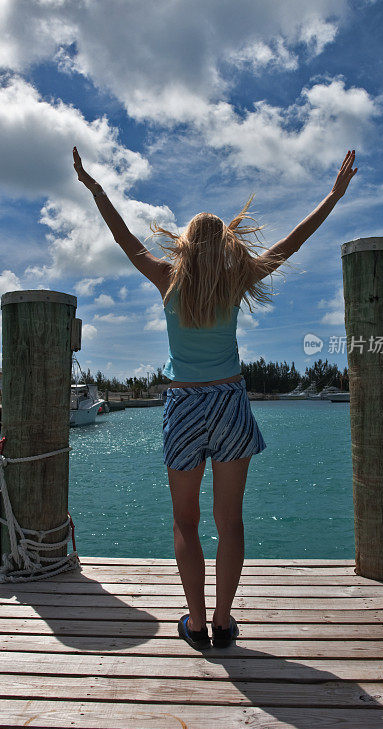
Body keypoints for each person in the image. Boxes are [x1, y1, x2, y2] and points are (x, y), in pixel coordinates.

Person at [73, 146, 358, 650]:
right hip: (230, 403)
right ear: (224, 243)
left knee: (186, 520)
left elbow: (122, 237)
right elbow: (292, 242)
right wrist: (332, 196)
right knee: (231, 521)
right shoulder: (236, 279)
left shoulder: (167, 279)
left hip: (183, 405)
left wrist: (96, 188)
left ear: (184, 244)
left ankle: (197, 624)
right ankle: (225, 623)